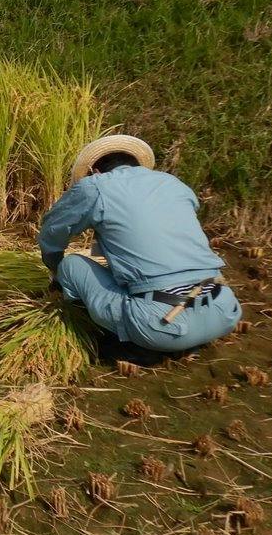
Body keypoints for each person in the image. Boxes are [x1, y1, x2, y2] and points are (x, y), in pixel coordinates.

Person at [38, 134, 242, 365]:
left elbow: (52, 232)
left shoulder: (95, 187)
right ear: (135, 162)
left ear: (95, 170)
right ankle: (187, 339)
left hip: (162, 326)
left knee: (72, 265)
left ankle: (116, 337)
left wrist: (56, 272)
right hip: (224, 311)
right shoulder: (174, 184)